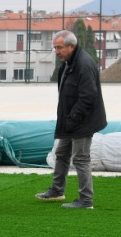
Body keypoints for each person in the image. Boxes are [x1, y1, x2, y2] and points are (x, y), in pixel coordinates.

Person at [35, 30, 107, 209]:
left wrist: (73, 118)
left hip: (82, 121)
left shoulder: (84, 64)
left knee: (81, 159)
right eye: (55, 48)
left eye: (59, 48)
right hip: (69, 120)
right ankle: (57, 190)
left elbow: (88, 97)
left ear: (71, 46)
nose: (56, 51)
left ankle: (86, 200)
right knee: (61, 154)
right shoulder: (68, 62)